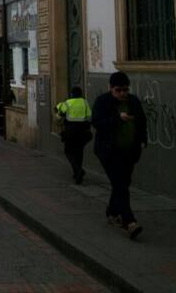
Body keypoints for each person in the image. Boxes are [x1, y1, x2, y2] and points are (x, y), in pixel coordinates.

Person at [92, 71, 148, 240]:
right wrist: (118, 118)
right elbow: (97, 123)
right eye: (118, 90)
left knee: (123, 183)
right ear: (110, 88)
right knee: (120, 184)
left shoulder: (133, 101)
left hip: (129, 151)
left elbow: (142, 121)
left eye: (125, 89)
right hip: (109, 152)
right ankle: (129, 222)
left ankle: (112, 211)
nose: (123, 93)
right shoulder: (103, 102)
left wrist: (143, 139)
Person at [56, 86, 92, 184]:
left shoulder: (68, 103)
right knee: (79, 152)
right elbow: (89, 115)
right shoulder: (84, 102)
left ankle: (78, 171)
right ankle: (77, 174)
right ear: (81, 94)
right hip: (82, 131)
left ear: (71, 94)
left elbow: (59, 114)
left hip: (70, 131)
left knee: (68, 151)